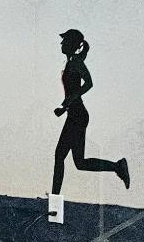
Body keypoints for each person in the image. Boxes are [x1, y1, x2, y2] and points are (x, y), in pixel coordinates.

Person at [50, 29, 130, 196]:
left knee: (60, 156)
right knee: (79, 163)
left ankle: (54, 202)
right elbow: (83, 57)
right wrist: (66, 106)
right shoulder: (73, 61)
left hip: (77, 115)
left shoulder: (75, 62)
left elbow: (89, 83)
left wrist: (66, 104)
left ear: (71, 44)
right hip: (75, 114)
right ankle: (117, 166)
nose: (61, 44)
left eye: (64, 41)